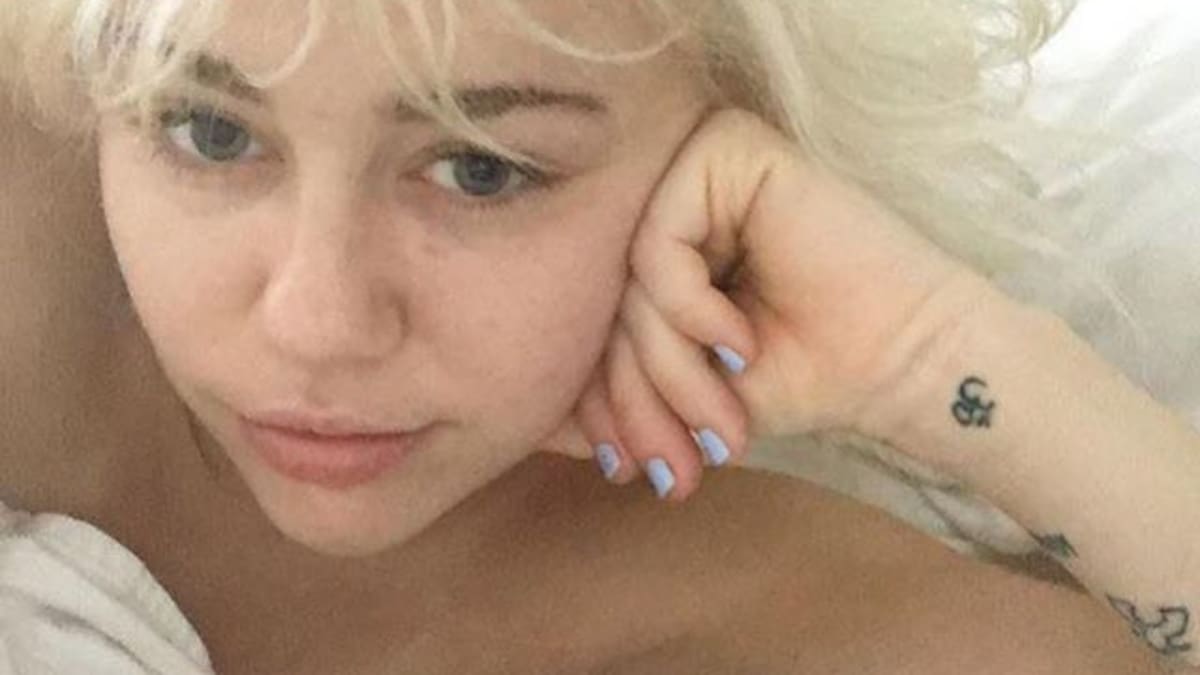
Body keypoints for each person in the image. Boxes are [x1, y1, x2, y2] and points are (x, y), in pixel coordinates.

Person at [0, 0, 1193, 672]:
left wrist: (933, 354)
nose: (317, 325)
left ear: (742, 136)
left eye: (480, 169)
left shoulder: (834, 625)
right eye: (210, 134)